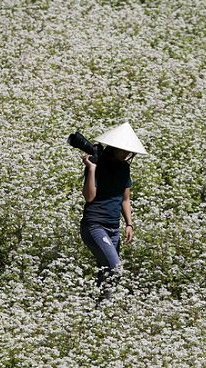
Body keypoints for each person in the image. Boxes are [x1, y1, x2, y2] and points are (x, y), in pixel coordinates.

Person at [78, 122, 148, 302]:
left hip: (113, 228)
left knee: (106, 272)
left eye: (128, 151)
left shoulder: (124, 168)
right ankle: (100, 307)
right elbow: (89, 197)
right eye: (123, 150)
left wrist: (129, 223)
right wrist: (91, 169)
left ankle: (99, 312)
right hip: (94, 225)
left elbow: (125, 199)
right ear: (114, 148)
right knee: (114, 268)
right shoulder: (97, 164)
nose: (126, 154)